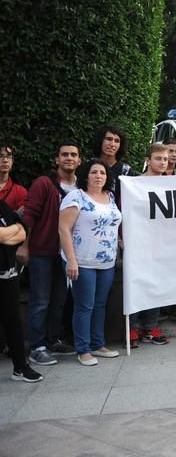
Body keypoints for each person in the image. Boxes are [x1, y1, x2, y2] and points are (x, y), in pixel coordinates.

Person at [19, 142, 81, 365]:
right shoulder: (44, 184)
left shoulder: (81, 187)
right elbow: (29, 217)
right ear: (56, 160)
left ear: (79, 160)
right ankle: (37, 346)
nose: (69, 158)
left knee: (59, 300)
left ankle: (53, 339)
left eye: (73, 155)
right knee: (40, 300)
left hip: (67, 254)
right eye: (64, 154)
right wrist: (24, 245)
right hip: (42, 252)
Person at [58, 159, 122, 366]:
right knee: (84, 305)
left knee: (100, 304)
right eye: (94, 172)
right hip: (82, 261)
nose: (98, 176)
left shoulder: (110, 197)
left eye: (102, 173)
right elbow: (64, 230)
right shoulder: (75, 197)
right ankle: (83, 349)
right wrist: (71, 260)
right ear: (86, 175)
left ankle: (98, 344)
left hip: (106, 261)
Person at [128, 145, 171, 348]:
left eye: (165, 159)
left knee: (156, 284)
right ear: (148, 159)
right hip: (139, 241)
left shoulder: (171, 184)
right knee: (137, 283)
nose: (163, 162)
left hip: (162, 243)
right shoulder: (135, 184)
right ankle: (133, 328)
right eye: (158, 158)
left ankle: (150, 327)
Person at [1, 195, 42, 382]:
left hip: (8, 275)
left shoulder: (2, 206)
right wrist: (11, 232)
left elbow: (23, 232)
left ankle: (20, 367)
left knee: (14, 322)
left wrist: (10, 232)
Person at [92, 124, 136, 206]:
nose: (112, 144)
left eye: (117, 141)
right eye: (109, 139)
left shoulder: (125, 171)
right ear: (100, 140)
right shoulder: (89, 166)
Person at [0, 144, 27, 214]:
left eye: (8, 156)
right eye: (1, 156)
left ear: (12, 161)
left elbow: (22, 222)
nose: (5, 160)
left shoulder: (20, 192)